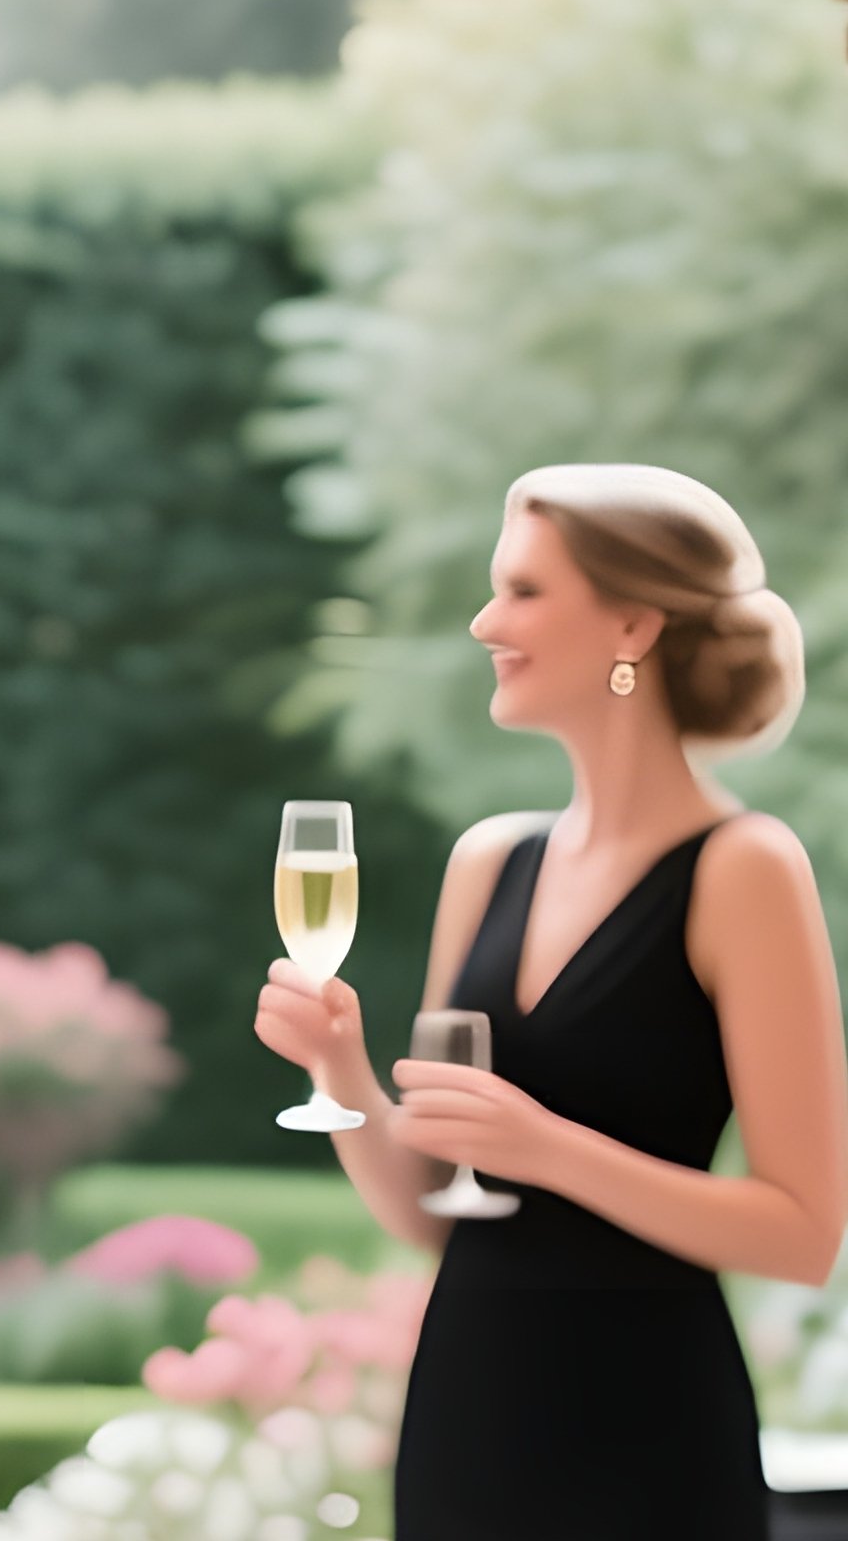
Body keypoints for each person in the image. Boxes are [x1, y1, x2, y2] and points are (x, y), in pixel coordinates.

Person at [255, 462, 848, 1540]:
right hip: (468, 1412)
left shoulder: (744, 867)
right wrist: (337, 1067)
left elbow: (804, 1234)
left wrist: (549, 1147)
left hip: (647, 1430)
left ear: (632, 625)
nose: (488, 621)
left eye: (525, 591)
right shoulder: (490, 861)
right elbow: (431, 1217)